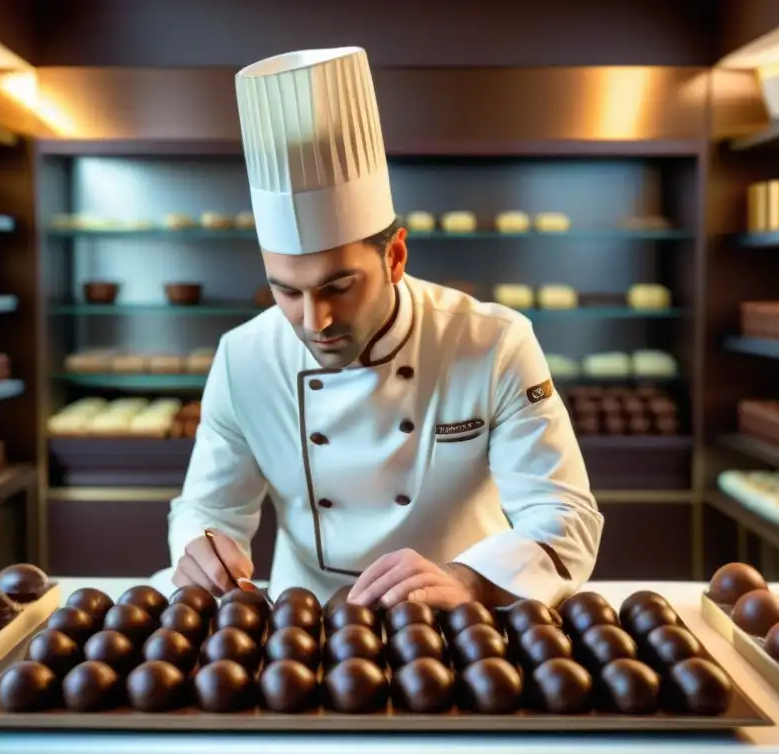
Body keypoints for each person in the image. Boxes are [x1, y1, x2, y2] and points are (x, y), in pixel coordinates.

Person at [168, 46, 603, 610]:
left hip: (463, 623)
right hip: (308, 630)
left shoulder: (493, 342)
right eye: (286, 290)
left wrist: (468, 579)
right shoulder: (243, 357)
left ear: (395, 256)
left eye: (338, 286)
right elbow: (207, 509)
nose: (313, 319)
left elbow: (564, 515)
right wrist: (202, 545)